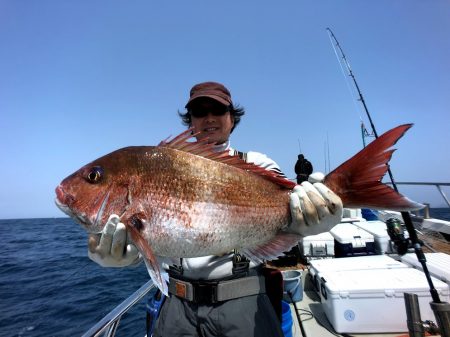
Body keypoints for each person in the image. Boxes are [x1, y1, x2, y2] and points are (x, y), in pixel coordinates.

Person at [88, 81, 343, 337]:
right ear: (191, 121)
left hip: (243, 304)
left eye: (218, 110)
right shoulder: (165, 162)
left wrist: (313, 218)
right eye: (200, 112)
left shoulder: (256, 163)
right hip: (177, 305)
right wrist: (122, 254)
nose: (209, 118)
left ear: (232, 118)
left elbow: (291, 217)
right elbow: (152, 240)